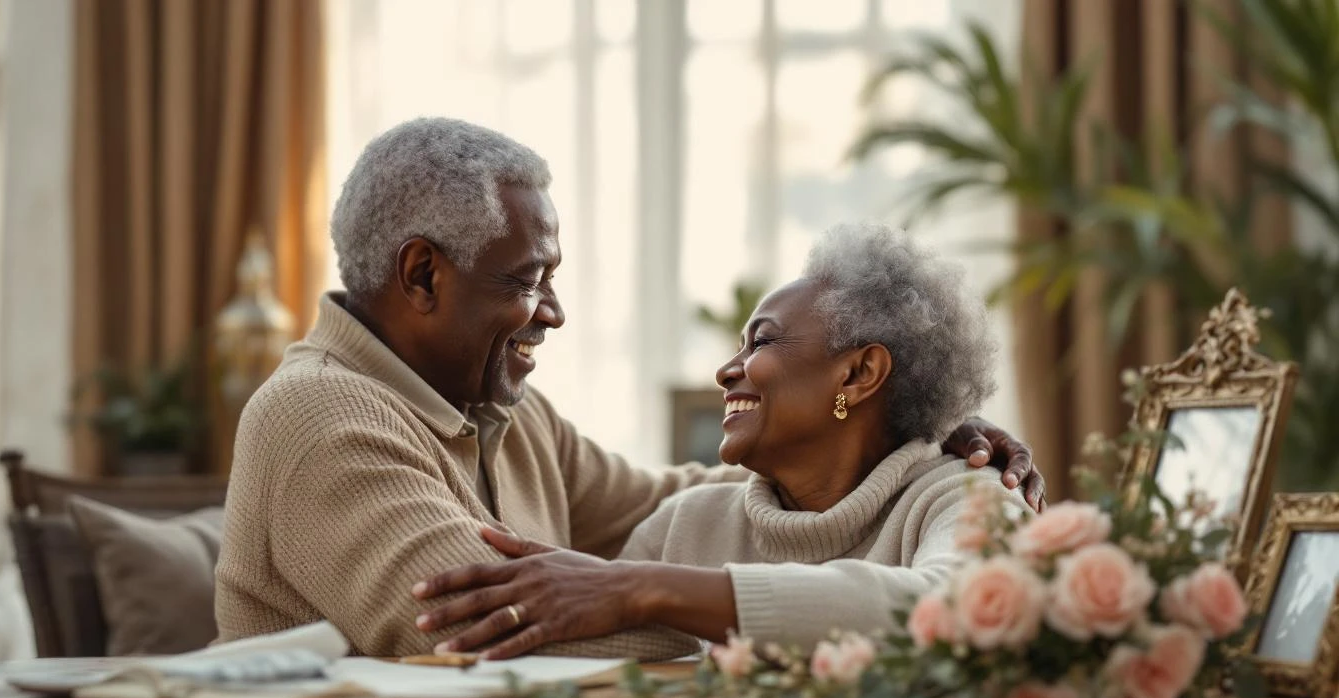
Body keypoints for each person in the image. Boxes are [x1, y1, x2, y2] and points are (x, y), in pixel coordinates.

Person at [215, 117, 1044, 660]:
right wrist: (667, 596)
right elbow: (498, 639)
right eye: (527, 279)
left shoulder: (508, 415)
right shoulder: (317, 414)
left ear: (861, 373)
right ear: (423, 274)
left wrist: (913, 434)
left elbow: (707, 504)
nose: (555, 312)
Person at [411, 223, 1029, 656]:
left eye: (761, 341)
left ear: (860, 373)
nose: (727, 371)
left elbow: (958, 603)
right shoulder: (687, 525)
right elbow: (605, 668)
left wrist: (642, 589)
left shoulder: (968, 498)